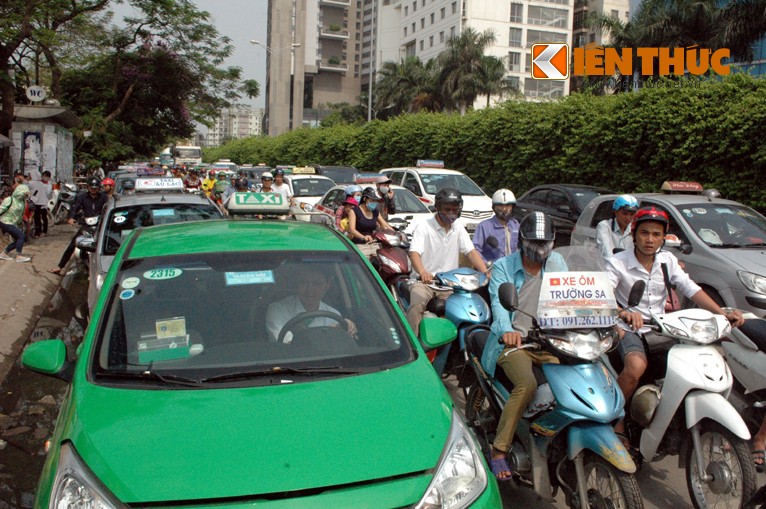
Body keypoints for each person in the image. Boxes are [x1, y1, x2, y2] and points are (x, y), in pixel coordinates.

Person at [607, 206, 744, 438]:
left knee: (695, 367)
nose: (650, 240)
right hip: (628, 329)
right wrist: (623, 313)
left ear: (663, 237)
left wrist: (721, 312)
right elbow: (605, 296)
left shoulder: (667, 260)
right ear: (634, 234)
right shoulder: (617, 262)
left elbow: (691, 289)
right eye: (644, 233)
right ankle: (614, 417)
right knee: (635, 367)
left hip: (662, 329)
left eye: (656, 234)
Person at [480, 211, 567, 480]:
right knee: (527, 385)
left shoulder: (558, 262)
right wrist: (508, 331)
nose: (540, 249)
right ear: (522, 241)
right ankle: (499, 449)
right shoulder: (504, 267)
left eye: (545, 243)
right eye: (534, 242)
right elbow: (498, 302)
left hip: (551, 340)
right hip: (514, 343)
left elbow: (571, 297)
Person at [406, 188, 488, 336]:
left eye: (455, 210)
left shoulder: (458, 228)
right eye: (447, 209)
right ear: (438, 208)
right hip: (425, 283)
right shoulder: (424, 227)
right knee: (416, 306)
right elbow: (414, 253)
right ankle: (414, 346)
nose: (451, 213)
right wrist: (423, 272)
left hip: (450, 285)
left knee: (467, 306)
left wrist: (485, 272)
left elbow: (471, 252)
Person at [265, 268, 357, 343]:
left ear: (328, 285)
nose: (310, 290)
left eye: (317, 284)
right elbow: (287, 347)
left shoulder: (334, 315)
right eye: (304, 282)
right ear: (297, 283)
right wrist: (329, 333)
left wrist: (348, 328)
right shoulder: (278, 310)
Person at [49, 177, 108, 275]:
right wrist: (71, 218)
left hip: (100, 225)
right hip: (86, 225)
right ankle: (60, 266)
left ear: (99, 188)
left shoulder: (104, 198)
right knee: (73, 244)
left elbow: (107, 208)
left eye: (95, 188)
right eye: (91, 187)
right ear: (88, 187)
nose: (93, 189)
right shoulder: (82, 197)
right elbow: (75, 207)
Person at [473, 188, 520, 262]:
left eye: (508, 205)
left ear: (513, 207)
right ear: (494, 207)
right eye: (500, 205)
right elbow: (475, 249)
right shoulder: (484, 226)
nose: (504, 209)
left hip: (512, 268)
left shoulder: (515, 225)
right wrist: (486, 265)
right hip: (493, 268)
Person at [347, 187, 393, 257]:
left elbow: (384, 225)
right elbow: (352, 229)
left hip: (374, 244)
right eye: (372, 200)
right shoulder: (354, 211)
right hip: (360, 245)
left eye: (375, 201)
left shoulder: (375, 212)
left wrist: (396, 233)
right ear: (365, 199)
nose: (374, 203)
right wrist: (363, 237)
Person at [596, 194, 639, 260]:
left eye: (632, 214)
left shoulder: (635, 230)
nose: (628, 218)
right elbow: (606, 253)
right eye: (624, 213)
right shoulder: (604, 226)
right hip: (606, 268)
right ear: (616, 212)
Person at [0, 184, 32, 262]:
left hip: (12, 223)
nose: (26, 196)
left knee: (19, 238)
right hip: (5, 221)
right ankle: (19, 256)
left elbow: (20, 215)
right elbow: (1, 209)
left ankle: (4, 253)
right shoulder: (10, 199)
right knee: (21, 236)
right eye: (25, 194)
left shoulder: (22, 202)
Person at [27, 170, 53, 238]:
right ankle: (38, 232)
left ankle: (43, 231)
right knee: (37, 218)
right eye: (43, 176)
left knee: (42, 217)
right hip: (38, 202)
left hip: (42, 202)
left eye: (46, 176)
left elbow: (47, 194)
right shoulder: (38, 183)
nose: (44, 177)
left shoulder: (48, 185)